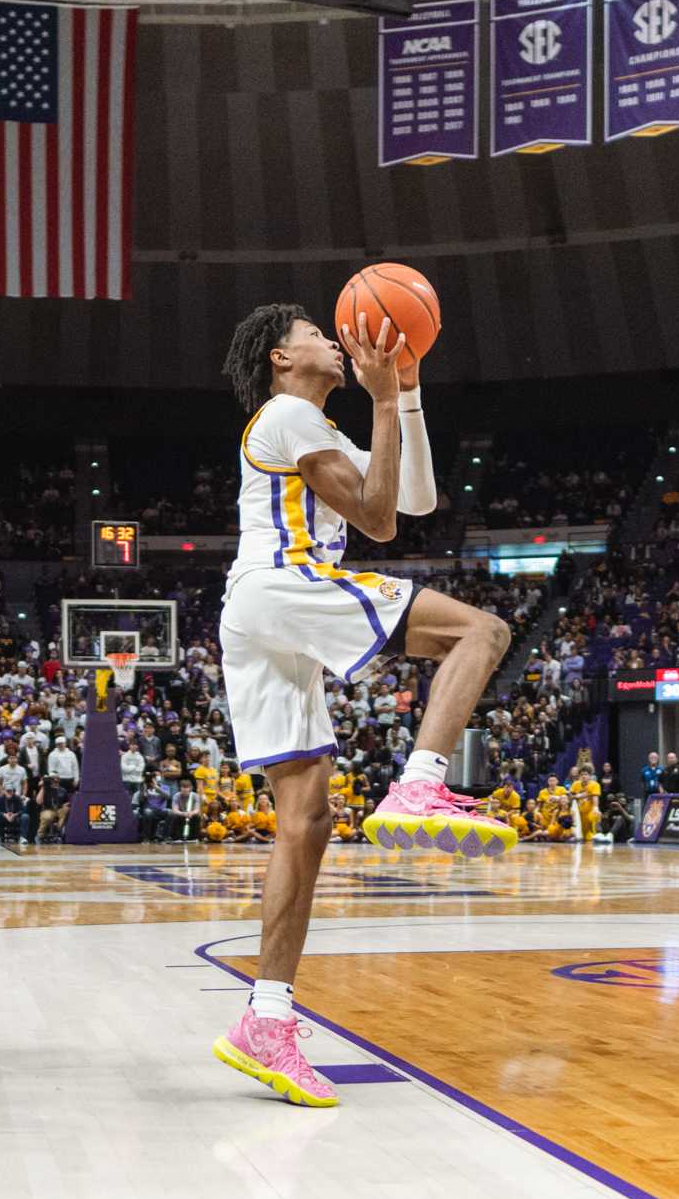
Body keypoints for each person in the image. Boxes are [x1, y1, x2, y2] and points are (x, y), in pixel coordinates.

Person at [210, 301, 513, 1109]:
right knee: (481, 633)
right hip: (287, 584)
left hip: (260, 615)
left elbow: (413, 500)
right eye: (316, 332)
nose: (333, 342)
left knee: (305, 823)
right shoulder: (283, 414)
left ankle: (264, 1021)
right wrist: (382, 401)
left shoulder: (320, 431)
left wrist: (405, 394)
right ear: (281, 356)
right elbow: (376, 519)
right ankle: (421, 777)